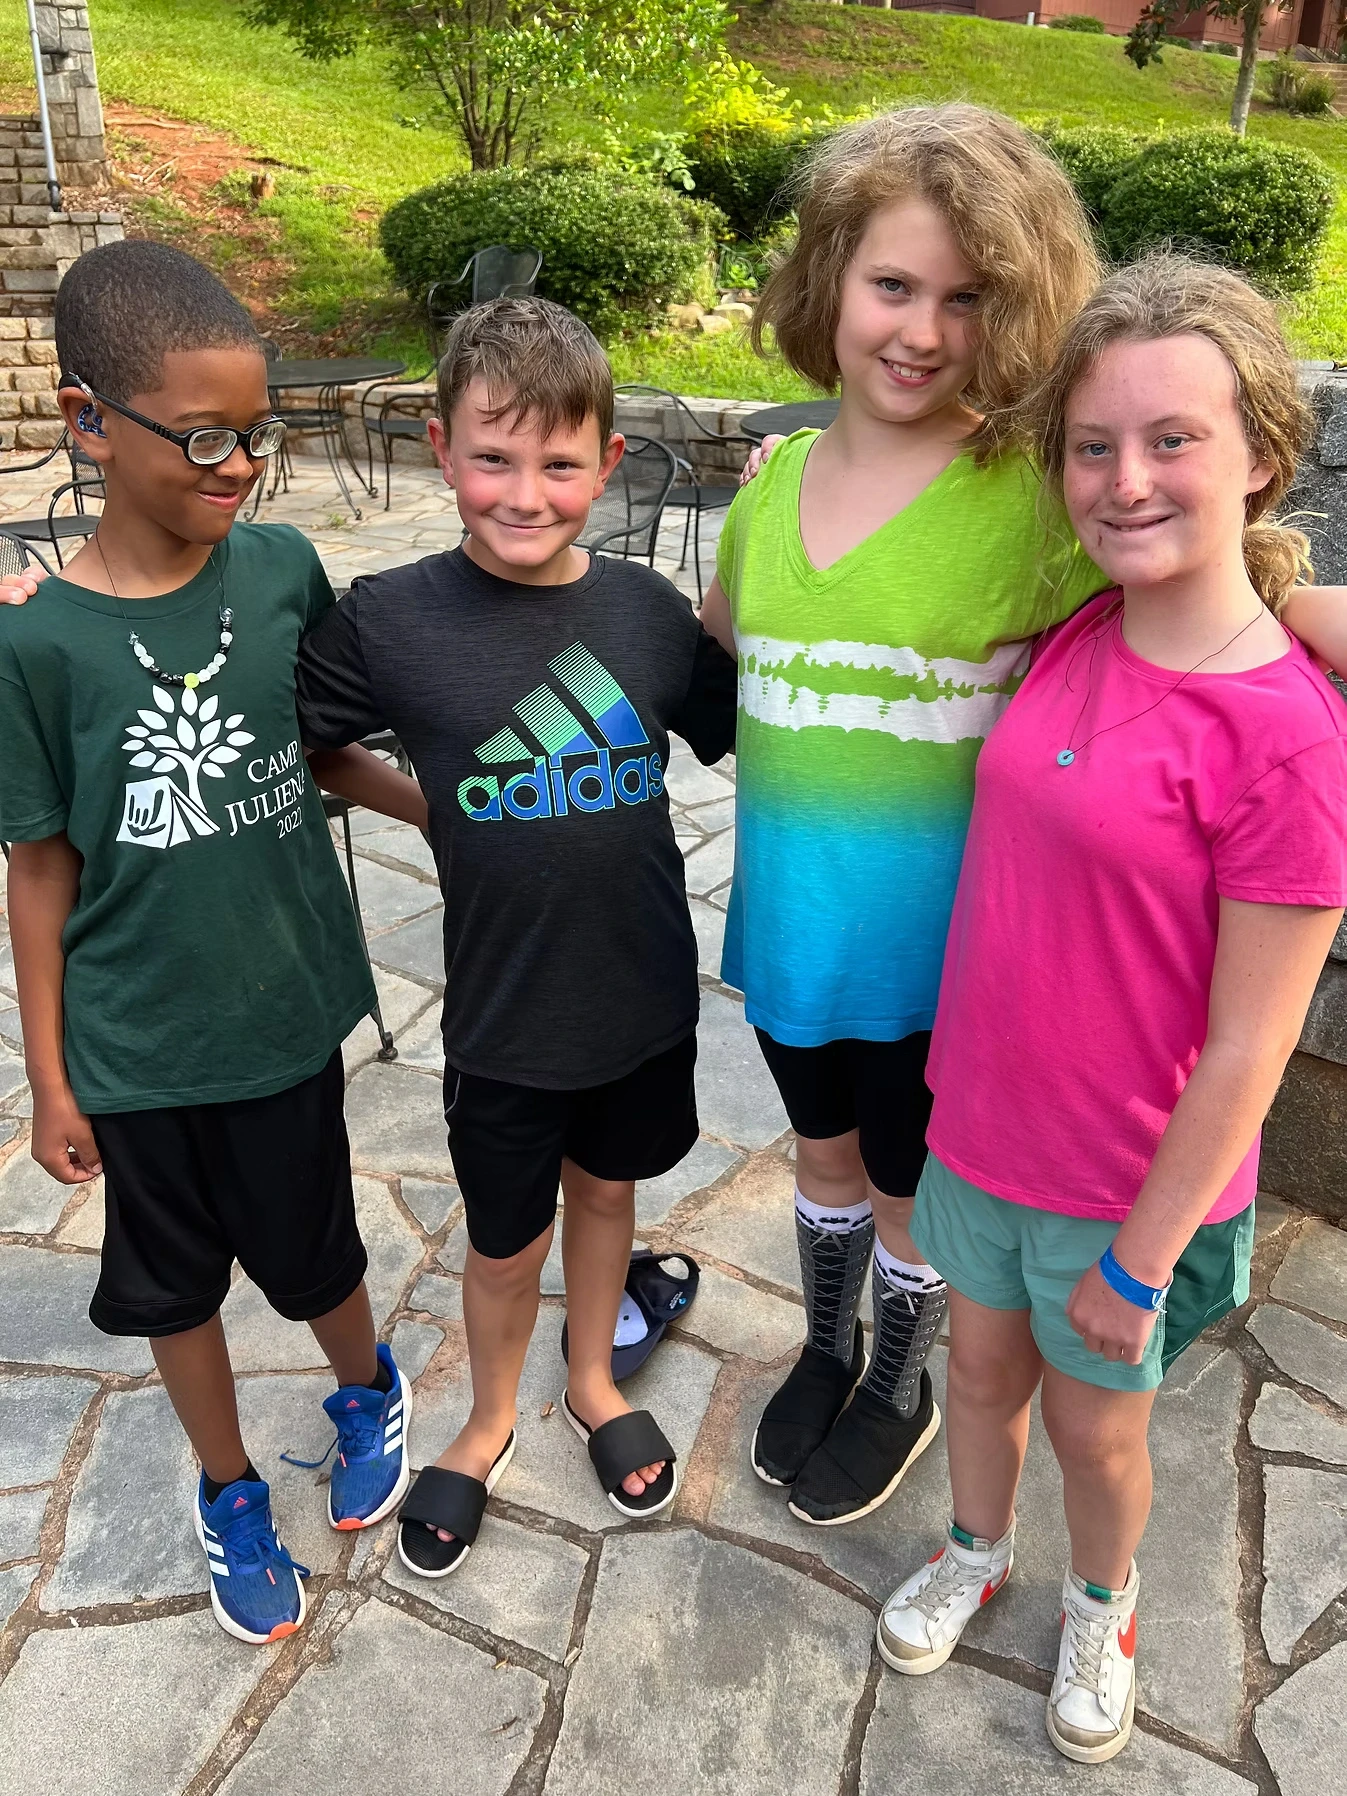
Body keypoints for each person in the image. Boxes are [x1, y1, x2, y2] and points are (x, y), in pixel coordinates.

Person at [877, 254, 1347, 1764]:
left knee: (1097, 1426)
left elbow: (1251, 1042)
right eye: (1093, 444)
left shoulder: (1282, 733)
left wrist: (1141, 1262)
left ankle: (1101, 1597)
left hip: (1122, 1188)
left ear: (1258, 455)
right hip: (985, 1133)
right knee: (978, 1371)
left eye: (1169, 440)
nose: (1121, 478)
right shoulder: (1084, 621)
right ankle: (971, 1543)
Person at [0, 241, 428, 1645]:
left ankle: (367, 1388)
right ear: (85, 422)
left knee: (315, 1253)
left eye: (255, 433)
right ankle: (229, 1486)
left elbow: (322, 749)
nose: (236, 464)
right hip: (136, 1047)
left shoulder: (287, 569)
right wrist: (52, 1078)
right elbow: (42, 865)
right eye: (198, 436)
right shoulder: (36, 648)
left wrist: (445, 818)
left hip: (280, 1010)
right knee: (171, 1283)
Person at [699, 104, 1110, 1526]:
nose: (921, 329)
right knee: (816, 1152)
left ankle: (899, 1374)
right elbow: (727, 637)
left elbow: (1170, 615)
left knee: (907, 1182)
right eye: (892, 285)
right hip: (793, 928)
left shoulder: (1032, 503)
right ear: (829, 281)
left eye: (965, 296)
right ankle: (824, 1342)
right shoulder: (775, 489)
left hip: (947, 961)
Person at [294, 296, 738, 1577]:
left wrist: (766, 551)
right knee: (505, 1237)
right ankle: (490, 1416)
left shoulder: (648, 617)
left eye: (559, 462)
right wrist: (425, 803)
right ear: (442, 449)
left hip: (641, 992)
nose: (525, 491)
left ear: (607, 461)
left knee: (609, 1192)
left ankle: (592, 1375)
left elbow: (750, 721)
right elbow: (307, 736)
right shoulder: (389, 616)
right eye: (495, 457)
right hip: (501, 1013)